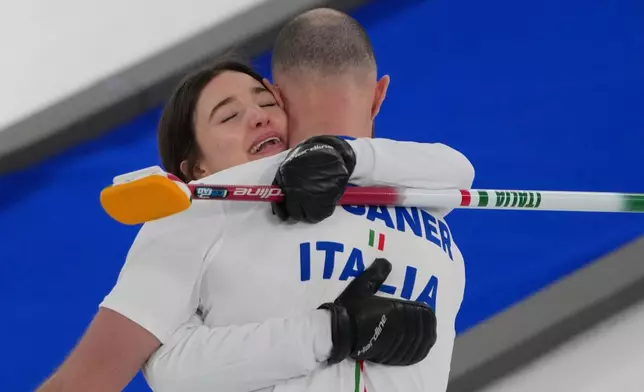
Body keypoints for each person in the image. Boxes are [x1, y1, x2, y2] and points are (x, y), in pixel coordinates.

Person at [36, 9, 473, 392]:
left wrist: (344, 153)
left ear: (281, 98)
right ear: (197, 170)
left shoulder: (423, 203)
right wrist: (332, 332)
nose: (257, 115)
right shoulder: (201, 209)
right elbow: (137, 374)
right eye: (227, 116)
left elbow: (457, 171)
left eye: (264, 101)